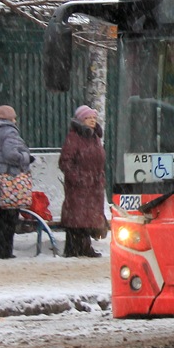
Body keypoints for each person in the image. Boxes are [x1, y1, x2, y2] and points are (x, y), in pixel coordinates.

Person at [0, 104, 33, 259]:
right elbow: (10, 154)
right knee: (9, 218)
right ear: (9, 118)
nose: (16, 120)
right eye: (14, 117)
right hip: (8, 181)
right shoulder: (9, 131)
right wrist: (26, 157)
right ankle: (3, 251)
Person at [58, 105, 106, 258]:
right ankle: (73, 249)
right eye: (88, 118)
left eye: (93, 118)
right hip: (79, 185)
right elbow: (65, 161)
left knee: (88, 216)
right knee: (76, 217)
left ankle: (85, 247)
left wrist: (98, 177)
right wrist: (77, 178)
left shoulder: (94, 137)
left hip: (94, 184)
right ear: (81, 120)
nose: (92, 121)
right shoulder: (74, 137)